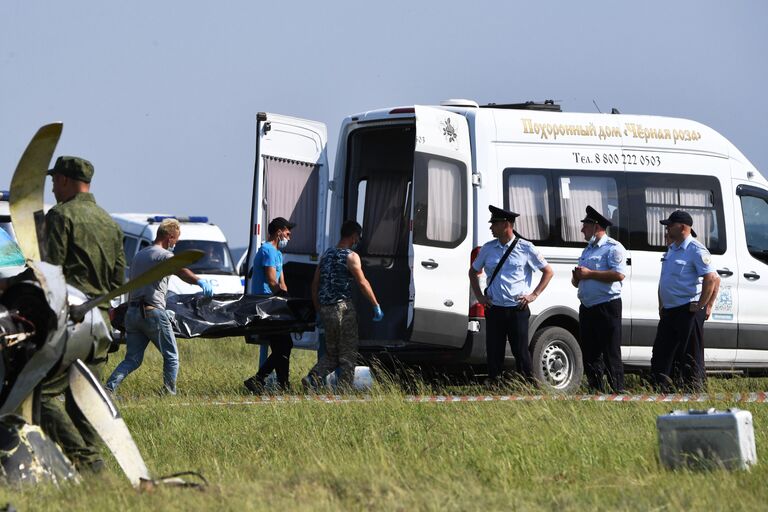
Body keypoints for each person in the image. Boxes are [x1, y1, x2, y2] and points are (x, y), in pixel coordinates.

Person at [40, 156, 126, 473]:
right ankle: (93, 469)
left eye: (53, 181)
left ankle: (86, 461)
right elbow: (117, 284)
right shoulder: (110, 223)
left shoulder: (61, 216)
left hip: (71, 321)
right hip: (100, 325)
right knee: (85, 400)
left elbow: (52, 275)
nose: (51, 187)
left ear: (64, 180)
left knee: (40, 395)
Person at [105, 218, 213, 395]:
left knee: (132, 359)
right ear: (169, 237)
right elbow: (181, 270)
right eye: (175, 240)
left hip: (132, 313)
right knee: (171, 356)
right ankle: (169, 393)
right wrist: (199, 281)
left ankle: (109, 389)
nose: (175, 244)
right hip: (152, 312)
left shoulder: (139, 255)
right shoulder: (164, 255)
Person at [469, 205, 554, 385]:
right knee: (494, 351)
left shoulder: (526, 248)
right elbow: (473, 272)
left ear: (506, 224)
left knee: (521, 352)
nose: (491, 227)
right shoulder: (488, 248)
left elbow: (548, 271)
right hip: (495, 308)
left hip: (517, 309)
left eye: (494, 223)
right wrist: (480, 297)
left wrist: (534, 295)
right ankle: (495, 385)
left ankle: (529, 386)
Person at [302, 220, 383, 389]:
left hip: (325, 309)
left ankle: (312, 378)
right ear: (354, 235)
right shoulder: (351, 257)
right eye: (358, 238)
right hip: (342, 309)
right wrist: (375, 304)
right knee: (348, 355)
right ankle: (343, 392)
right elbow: (362, 283)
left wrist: (319, 310)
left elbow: (314, 284)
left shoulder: (326, 255)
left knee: (332, 354)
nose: (357, 241)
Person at [651, 210, 720, 392]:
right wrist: (661, 304)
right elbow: (664, 279)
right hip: (669, 310)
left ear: (682, 227)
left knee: (691, 356)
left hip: (687, 310)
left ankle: (695, 393)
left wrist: (703, 305)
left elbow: (712, 278)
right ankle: (662, 391)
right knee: (661, 354)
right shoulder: (672, 249)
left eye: (670, 225)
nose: (666, 229)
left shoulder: (695, 250)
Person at [571, 205, 627, 393]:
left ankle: (617, 392)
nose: (582, 230)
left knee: (610, 352)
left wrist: (589, 274)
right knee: (590, 353)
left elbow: (619, 274)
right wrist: (578, 276)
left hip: (607, 306)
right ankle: (595, 391)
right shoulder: (587, 250)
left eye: (585, 226)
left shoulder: (613, 248)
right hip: (587, 307)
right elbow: (578, 280)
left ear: (596, 226)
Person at [243, 217, 296, 392]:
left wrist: (287, 298)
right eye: (287, 233)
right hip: (266, 304)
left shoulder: (278, 254)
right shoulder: (267, 251)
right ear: (279, 231)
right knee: (284, 344)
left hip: (275, 304)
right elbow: (272, 280)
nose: (289, 237)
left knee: (283, 345)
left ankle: (282, 385)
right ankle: (260, 379)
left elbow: (282, 282)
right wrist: (283, 297)